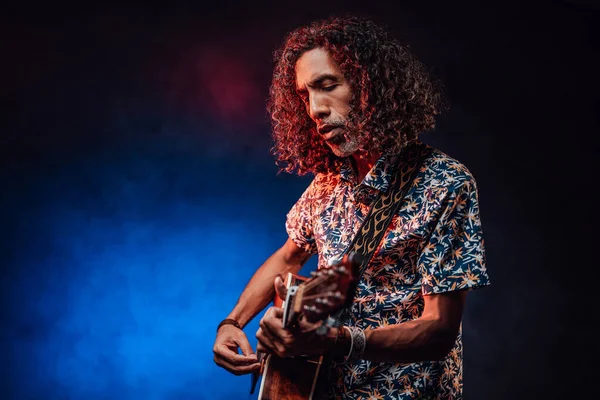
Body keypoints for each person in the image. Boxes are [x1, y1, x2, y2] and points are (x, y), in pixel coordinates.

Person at [213, 15, 490, 399]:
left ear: (370, 85)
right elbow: (290, 256)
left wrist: (338, 341)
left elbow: (440, 329)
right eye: (304, 95)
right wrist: (232, 322)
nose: (314, 109)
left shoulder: (445, 182)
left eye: (326, 86)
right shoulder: (327, 184)